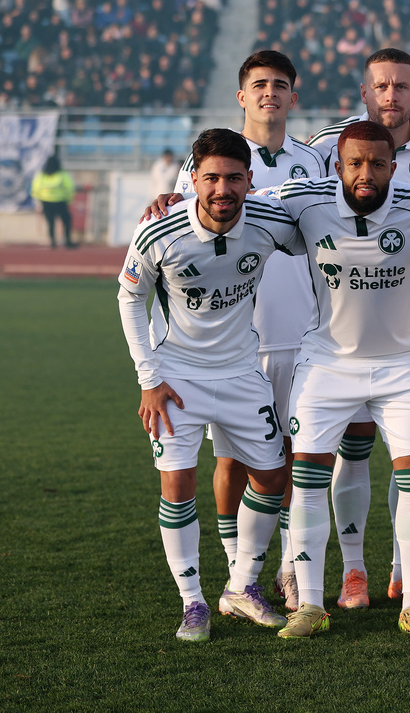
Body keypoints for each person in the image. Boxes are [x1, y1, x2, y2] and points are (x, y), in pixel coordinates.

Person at [271, 120, 410, 640]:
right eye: (355, 163)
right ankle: (311, 604)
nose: (366, 173)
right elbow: (239, 201)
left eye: (377, 163)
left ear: (393, 167)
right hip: (327, 365)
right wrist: (173, 202)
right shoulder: (304, 202)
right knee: (308, 479)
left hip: (404, 367)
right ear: (338, 166)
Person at [118, 128, 303, 642]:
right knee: (178, 485)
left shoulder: (268, 220)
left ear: (249, 180)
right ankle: (192, 601)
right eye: (212, 178)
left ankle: (241, 587)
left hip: (243, 373)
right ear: (194, 179)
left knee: (272, 478)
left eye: (234, 178)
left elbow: (315, 223)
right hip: (177, 379)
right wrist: (149, 379)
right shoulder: (158, 230)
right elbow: (129, 299)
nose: (223, 189)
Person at [308, 48, 410, 609]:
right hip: (346, 322)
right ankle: (354, 572)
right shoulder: (328, 146)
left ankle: (403, 572)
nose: (390, 95)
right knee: (353, 447)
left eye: (400, 86)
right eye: (380, 86)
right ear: (364, 93)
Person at [174, 51, 326, 613]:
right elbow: (175, 221)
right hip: (236, 339)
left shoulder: (312, 162)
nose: (269, 93)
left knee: (292, 455)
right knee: (232, 459)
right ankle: (239, 568)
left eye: (280, 85)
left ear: (293, 97)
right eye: (259, 84)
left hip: (301, 328)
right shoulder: (211, 159)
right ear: (242, 96)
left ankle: (287, 568)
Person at [31, 155, 76, 249]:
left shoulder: (41, 175)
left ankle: (52, 242)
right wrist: (69, 200)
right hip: (61, 202)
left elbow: (35, 189)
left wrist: (37, 202)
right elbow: (70, 187)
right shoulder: (62, 174)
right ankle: (67, 240)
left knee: (51, 222)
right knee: (66, 221)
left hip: (46, 202)